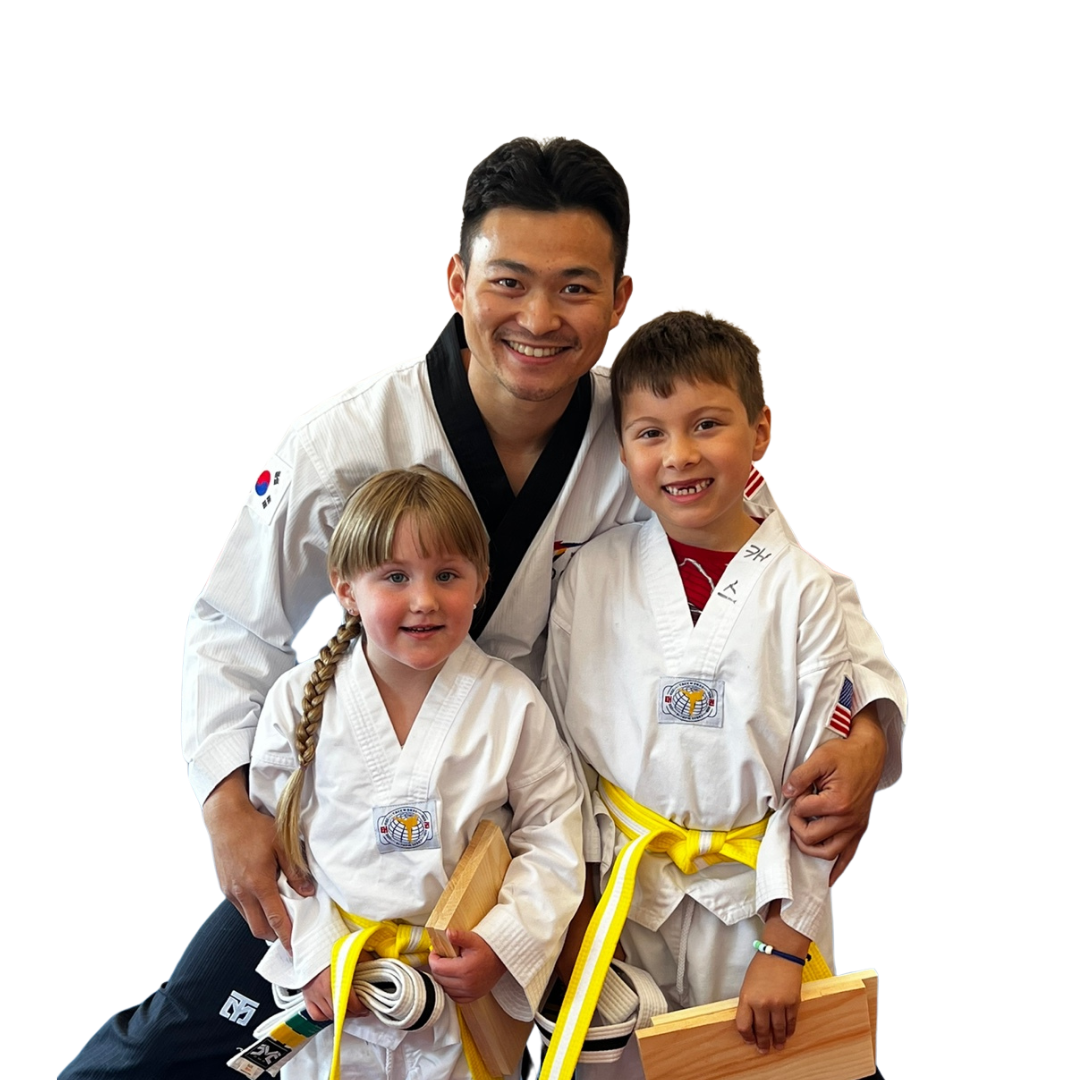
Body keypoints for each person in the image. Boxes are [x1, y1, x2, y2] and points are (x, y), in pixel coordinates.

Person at [61, 135, 903, 1079]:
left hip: (550, 821)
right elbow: (233, 623)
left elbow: (787, 577)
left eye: (577, 288)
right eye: (509, 281)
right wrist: (227, 808)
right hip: (359, 811)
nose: (539, 318)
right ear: (458, 281)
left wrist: (866, 730)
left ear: (621, 300)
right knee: (186, 1032)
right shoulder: (345, 437)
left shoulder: (649, 440)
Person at [539, 308, 903, 1080]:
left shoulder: (809, 591)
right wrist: (567, 907)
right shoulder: (590, 575)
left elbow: (818, 785)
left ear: (760, 432)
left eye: (707, 425)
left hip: (757, 905)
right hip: (622, 901)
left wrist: (784, 944)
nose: (680, 456)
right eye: (650, 433)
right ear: (622, 445)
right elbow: (563, 766)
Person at [232, 466, 583, 1078]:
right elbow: (276, 847)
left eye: (447, 575)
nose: (424, 599)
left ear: (480, 584)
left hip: (455, 1000)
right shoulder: (296, 700)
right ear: (345, 590)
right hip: (343, 994)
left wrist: (503, 943)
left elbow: (554, 835)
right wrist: (312, 953)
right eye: (395, 577)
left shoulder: (511, 702)